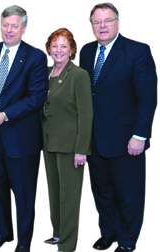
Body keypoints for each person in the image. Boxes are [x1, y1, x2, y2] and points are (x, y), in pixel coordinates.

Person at [79, 3, 157, 252]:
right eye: (97, 22)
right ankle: (109, 232)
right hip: (95, 139)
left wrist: (140, 135)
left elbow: (148, 98)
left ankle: (127, 240)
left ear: (117, 23)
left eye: (107, 21)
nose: (102, 26)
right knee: (102, 192)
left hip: (126, 139)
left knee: (127, 195)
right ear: (92, 25)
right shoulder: (87, 51)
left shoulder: (137, 51)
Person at [0, 5, 48, 252]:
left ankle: (23, 243)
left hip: (20, 137)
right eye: (5, 24)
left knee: (24, 195)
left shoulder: (36, 57)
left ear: (23, 28)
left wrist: (5, 115)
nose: (9, 30)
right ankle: (2, 233)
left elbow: (36, 97)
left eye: (15, 26)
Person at [41, 28, 93, 252]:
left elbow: (86, 114)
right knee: (54, 192)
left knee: (69, 197)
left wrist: (82, 149)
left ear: (71, 49)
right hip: (48, 143)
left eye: (64, 46)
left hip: (71, 146)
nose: (59, 50)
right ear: (49, 49)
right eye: (55, 46)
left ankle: (67, 245)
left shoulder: (79, 75)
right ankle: (58, 233)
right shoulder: (45, 73)